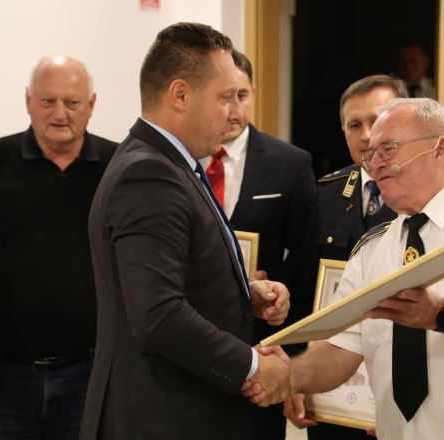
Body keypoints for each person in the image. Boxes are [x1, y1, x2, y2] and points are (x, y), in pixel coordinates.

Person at [250, 98, 444, 439]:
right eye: (370, 155)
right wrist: (288, 373)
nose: (375, 164)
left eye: (388, 149)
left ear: (440, 149)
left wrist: (441, 314)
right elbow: (342, 349)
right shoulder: (372, 249)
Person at [79, 22, 291, 439]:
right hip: (161, 419)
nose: (234, 113)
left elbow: (163, 280)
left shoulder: (166, 163)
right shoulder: (149, 174)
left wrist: (240, 293)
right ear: (180, 94)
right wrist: (252, 365)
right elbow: (158, 316)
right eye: (224, 98)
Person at [0, 56, 117, 440]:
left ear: (91, 104)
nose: (59, 113)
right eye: (47, 101)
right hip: (4, 378)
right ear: (28, 101)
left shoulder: (119, 167)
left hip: (89, 374)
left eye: (72, 102)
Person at [200, 49, 316, 440]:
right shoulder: (185, 160)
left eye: (242, 96)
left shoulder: (291, 163)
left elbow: (304, 261)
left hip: (261, 343)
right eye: (223, 97)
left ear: (254, 92)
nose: (233, 110)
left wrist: (274, 291)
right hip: (193, 340)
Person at [300, 74, 407, 440]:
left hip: (404, 392)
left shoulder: (426, 194)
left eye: (377, 120)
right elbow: (307, 296)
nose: (366, 135)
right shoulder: (326, 193)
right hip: (335, 394)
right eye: (354, 125)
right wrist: (301, 378)